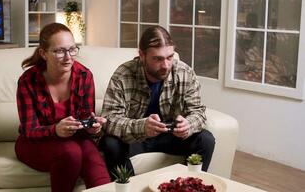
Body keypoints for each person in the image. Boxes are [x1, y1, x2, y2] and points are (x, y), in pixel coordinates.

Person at [100, 25, 215, 177]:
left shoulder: (184, 72)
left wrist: (188, 125)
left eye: (169, 57)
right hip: (136, 138)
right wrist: (142, 126)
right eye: (157, 59)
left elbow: (198, 113)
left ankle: (189, 186)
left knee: (205, 139)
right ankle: (130, 187)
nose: (166, 65)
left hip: (170, 136)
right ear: (142, 55)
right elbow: (109, 119)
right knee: (110, 143)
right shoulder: (123, 74)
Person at [15, 23, 110, 192]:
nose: (68, 57)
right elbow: (29, 130)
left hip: (75, 138)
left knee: (94, 161)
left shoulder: (84, 76)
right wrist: (55, 130)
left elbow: (86, 118)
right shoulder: (27, 81)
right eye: (59, 51)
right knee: (71, 152)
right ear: (43, 53)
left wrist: (92, 127)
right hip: (34, 143)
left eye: (72, 49)